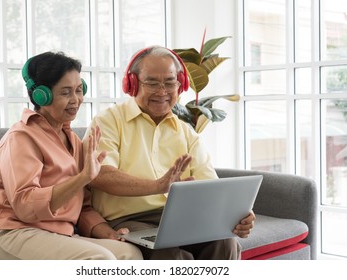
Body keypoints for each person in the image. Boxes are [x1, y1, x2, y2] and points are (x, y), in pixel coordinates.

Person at [84, 46, 256, 260]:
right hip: (126, 220)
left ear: (180, 84)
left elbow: (210, 186)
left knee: (224, 243)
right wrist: (158, 186)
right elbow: (101, 175)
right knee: (169, 254)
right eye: (152, 82)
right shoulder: (108, 121)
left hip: (180, 219)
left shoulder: (186, 132)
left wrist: (237, 216)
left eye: (169, 82)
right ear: (133, 84)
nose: (162, 91)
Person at [0, 51, 142, 260]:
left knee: (129, 254)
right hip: (9, 234)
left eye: (79, 90)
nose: (76, 100)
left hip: (57, 235)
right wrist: (82, 178)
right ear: (42, 96)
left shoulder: (74, 143)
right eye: (65, 92)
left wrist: (108, 233)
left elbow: (83, 207)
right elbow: (25, 205)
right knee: (100, 260)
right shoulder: (21, 138)